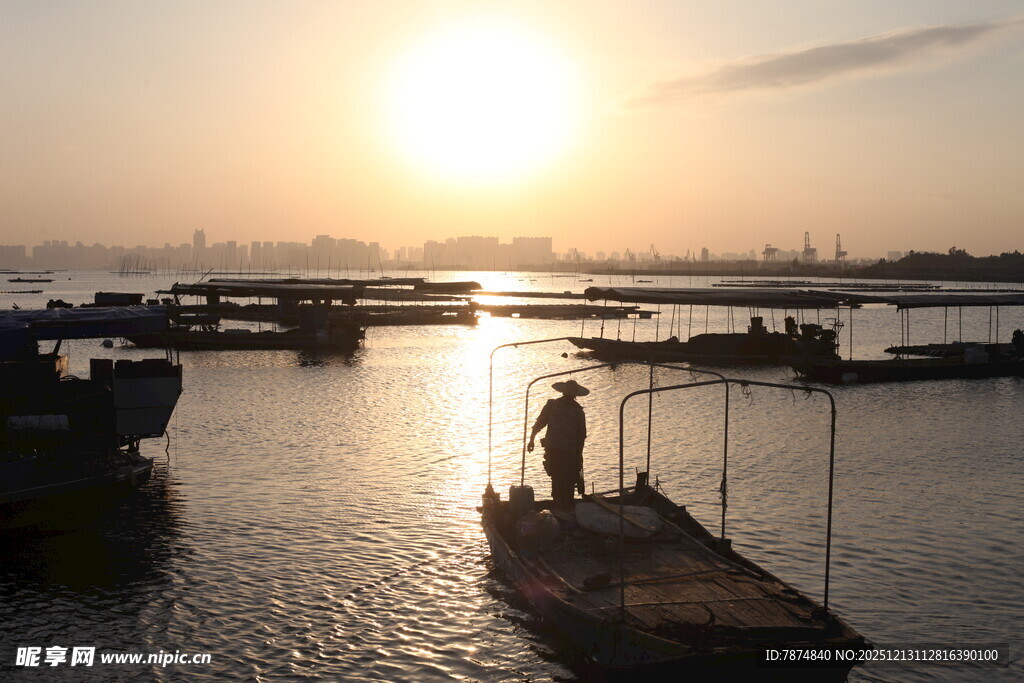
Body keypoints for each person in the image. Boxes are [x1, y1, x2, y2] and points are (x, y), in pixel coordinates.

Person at [527, 379, 588, 508]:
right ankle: (566, 504)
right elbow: (581, 436)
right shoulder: (578, 411)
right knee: (568, 479)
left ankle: (558, 503)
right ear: (575, 395)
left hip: (553, 449)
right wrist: (579, 456)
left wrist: (531, 440)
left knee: (556, 477)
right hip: (569, 451)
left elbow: (539, 424)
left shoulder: (552, 405)